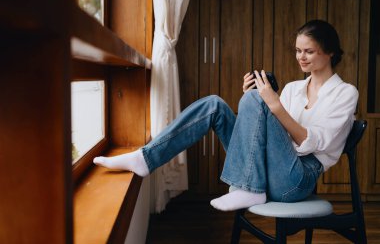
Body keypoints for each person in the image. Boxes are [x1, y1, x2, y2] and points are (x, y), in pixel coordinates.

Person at [93, 19, 358, 211]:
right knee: (215, 104)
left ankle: (249, 190)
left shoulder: (345, 93)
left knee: (258, 98)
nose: (301, 57)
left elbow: (312, 142)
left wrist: (271, 105)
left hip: (297, 179)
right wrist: (254, 101)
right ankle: (145, 158)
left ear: (330, 52)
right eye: (298, 50)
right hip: (265, 167)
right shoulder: (293, 88)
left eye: (309, 51)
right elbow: (269, 131)